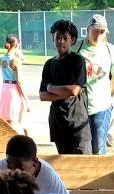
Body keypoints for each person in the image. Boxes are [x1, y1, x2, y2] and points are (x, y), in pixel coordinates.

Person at [40, 20, 91, 154]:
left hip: (78, 123)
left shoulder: (77, 61)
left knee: (85, 167)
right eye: (57, 37)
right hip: (58, 124)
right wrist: (64, 90)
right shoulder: (49, 64)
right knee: (64, 167)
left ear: (72, 40)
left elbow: (74, 90)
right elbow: (42, 95)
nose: (61, 41)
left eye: (65, 38)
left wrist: (51, 87)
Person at [79, 14, 114, 155]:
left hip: (100, 108)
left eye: (102, 31)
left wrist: (107, 95)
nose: (98, 34)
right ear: (87, 30)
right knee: (82, 150)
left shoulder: (110, 50)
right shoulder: (77, 48)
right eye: (95, 30)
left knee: (98, 149)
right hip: (80, 108)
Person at [0, 35, 30, 136]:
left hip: (4, 89)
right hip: (14, 90)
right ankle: (29, 142)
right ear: (16, 45)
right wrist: (27, 99)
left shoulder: (2, 58)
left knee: (7, 118)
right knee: (22, 118)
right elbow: (19, 81)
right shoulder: (15, 61)